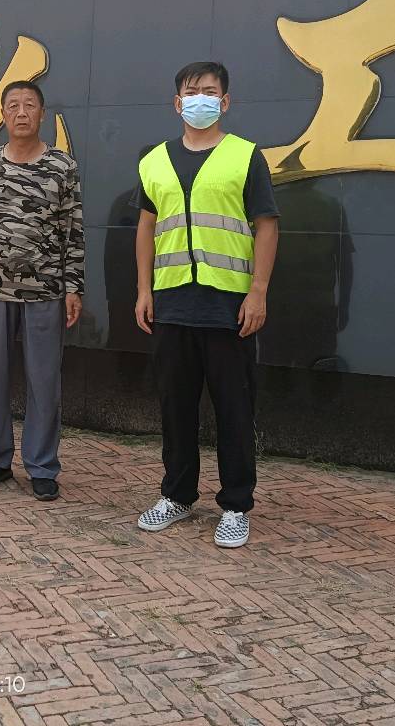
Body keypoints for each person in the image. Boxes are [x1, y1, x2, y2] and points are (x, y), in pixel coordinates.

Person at [133, 62, 279, 548]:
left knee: (234, 408)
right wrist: (144, 290)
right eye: (192, 91)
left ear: (225, 101)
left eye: (210, 92)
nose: (200, 99)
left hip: (228, 305)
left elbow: (266, 225)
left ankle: (236, 505)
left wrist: (258, 291)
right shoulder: (154, 160)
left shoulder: (245, 156)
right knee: (175, 406)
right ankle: (177, 494)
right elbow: (146, 228)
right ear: (177, 103)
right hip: (172, 302)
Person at [0, 81, 85, 501]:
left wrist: (74, 287)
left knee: (44, 382)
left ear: (42, 113)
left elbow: (73, 230)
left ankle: (42, 466)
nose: (21, 112)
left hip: (46, 291)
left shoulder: (62, 167)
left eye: (29, 105)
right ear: (2, 114)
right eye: (12, 105)